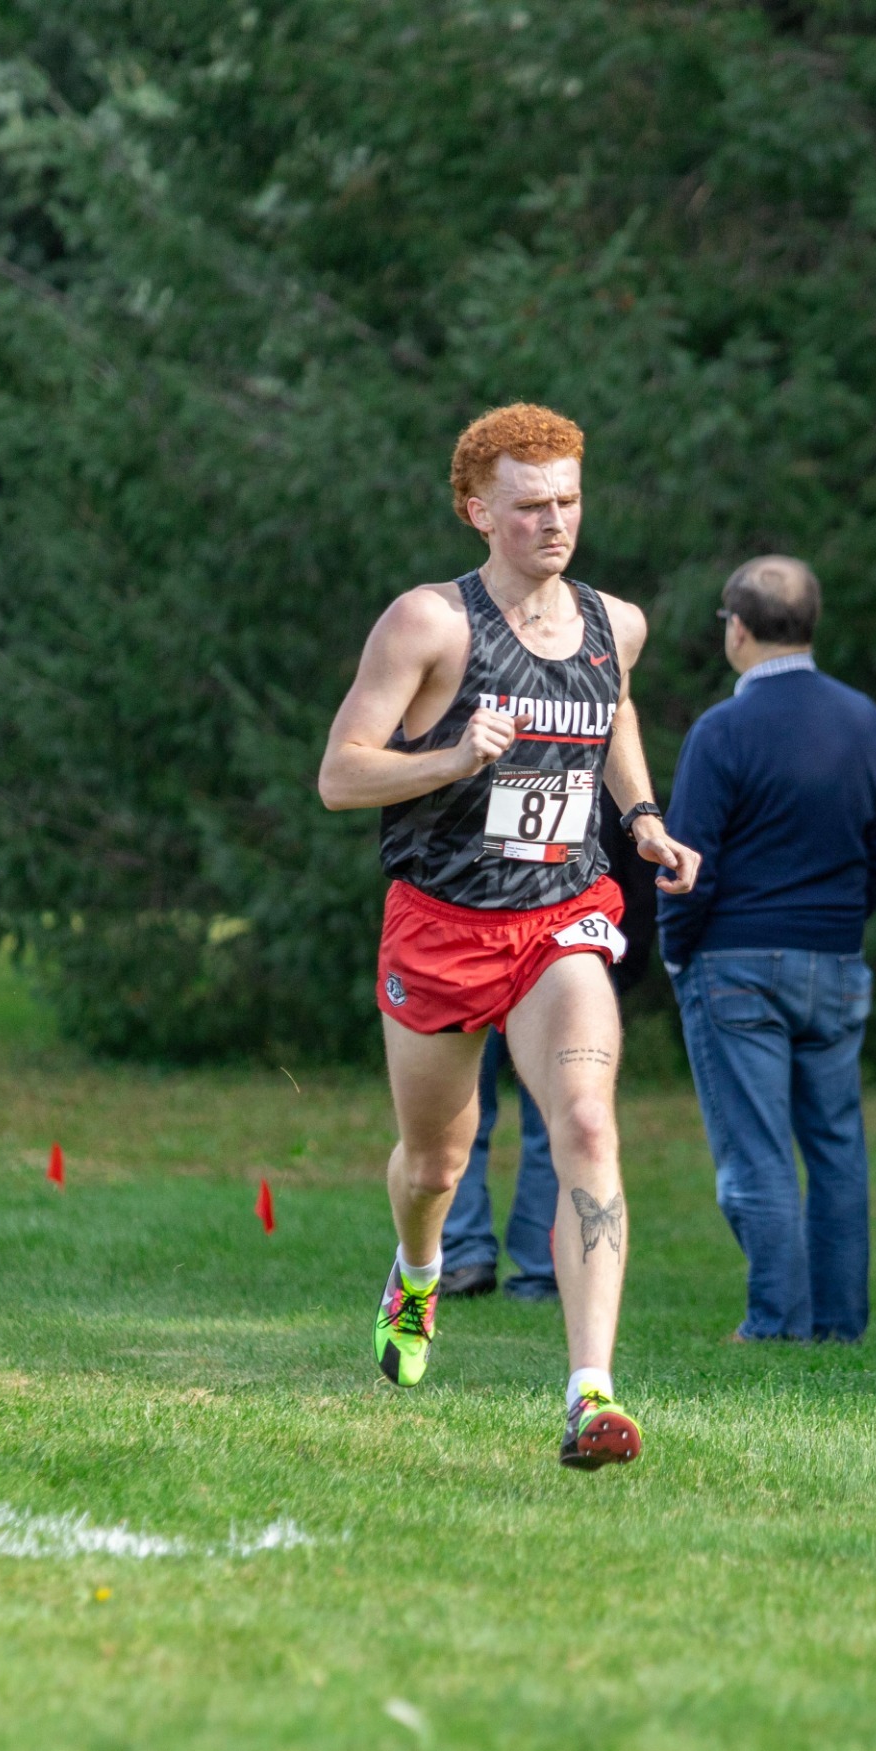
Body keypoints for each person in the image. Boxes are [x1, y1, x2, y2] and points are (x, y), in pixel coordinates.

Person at [317, 404, 700, 1469]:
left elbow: (611, 708)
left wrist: (642, 818)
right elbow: (340, 774)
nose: (554, 522)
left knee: (582, 1121)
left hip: (559, 915)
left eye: (569, 500)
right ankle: (417, 1270)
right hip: (440, 923)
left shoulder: (612, 620)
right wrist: (449, 758)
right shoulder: (427, 625)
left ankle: (590, 1394)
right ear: (476, 509)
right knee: (436, 1161)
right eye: (530, 505)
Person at [660, 556, 876, 1344]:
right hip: (835, 962)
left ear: (737, 628)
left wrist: (678, 954)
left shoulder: (721, 730)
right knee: (836, 1148)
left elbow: (686, 864)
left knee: (756, 1152)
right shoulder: (863, 720)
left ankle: (775, 1321)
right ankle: (838, 1324)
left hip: (735, 964)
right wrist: (839, 922)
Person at [440, 816, 658, 1302]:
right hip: (494, 949)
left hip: (522, 952)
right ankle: (532, 1264)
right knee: (520, 1117)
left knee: (535, 1117)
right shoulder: (584, 759)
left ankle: (468, 1255)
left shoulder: (596, 761)